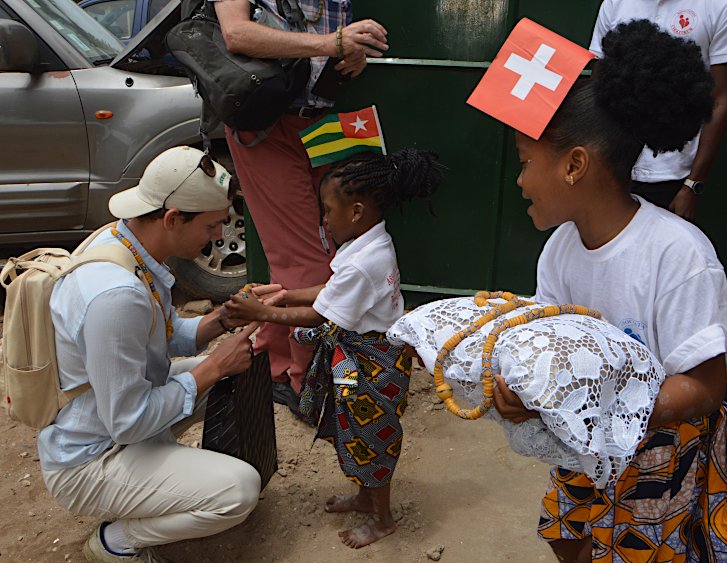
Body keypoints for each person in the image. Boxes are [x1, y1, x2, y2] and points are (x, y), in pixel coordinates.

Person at [492, 22, 727, 562]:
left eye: (525, 162)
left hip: (658, 446)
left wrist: (598, 403)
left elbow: (703, 387)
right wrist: (524, 393)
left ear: (574, 164)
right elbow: (549, 341)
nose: (519, 180)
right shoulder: (560, 249)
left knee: (637, 553)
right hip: (585, 440)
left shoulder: (679, 257)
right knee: (566, 532)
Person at [38, 146, 268, 563]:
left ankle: (174, 478)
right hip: (92, 460)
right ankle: (118, 542)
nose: (219, 236)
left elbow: (161, 337)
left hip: (112, 421)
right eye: (212, 225)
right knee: (239, 492)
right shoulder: (116, 295)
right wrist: (213, 367)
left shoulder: (126, 240)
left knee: (224, 372)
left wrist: (225, 318)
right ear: (172, 218)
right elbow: (128, 422)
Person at [225, 149, 443, 548]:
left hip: (371, 368)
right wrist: (285, 295)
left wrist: (262, 312)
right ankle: (365, 497)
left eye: (327, 211)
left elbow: (318, 317)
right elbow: (331, 292)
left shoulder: (364, 262)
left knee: (370, 439)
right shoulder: (369, 245)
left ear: (356, 211)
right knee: (354, 434)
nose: (323, 220)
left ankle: (382, 519)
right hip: (365, 358)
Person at [212, 0, 390, 409]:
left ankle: (274, 365)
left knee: (315, 249)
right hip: (265, 125)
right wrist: (330, 43)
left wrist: (350, 50)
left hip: (322, 121)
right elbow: (237, 34)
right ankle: (307, 386)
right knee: (306, 259)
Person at [589, 0, 727, 221]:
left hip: (672, 174)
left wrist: (692, 185)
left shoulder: (726, 5)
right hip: (612, 164)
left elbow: (720, 98)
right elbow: (598, 83)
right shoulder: (615, 2)